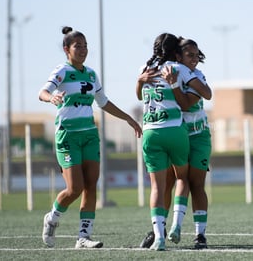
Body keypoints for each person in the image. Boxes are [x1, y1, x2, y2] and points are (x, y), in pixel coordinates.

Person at [39, 26, 142, 248]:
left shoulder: (92, 74)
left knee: (91, 186)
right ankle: (52, 217)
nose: (83, 49)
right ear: (67, 49)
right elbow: (43, 92)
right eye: (78, 46)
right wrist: (52, 98)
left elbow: (103, 102)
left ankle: (83, 237)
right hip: (67, 136)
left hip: (89, 135)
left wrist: (128, 118)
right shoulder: (62, 71)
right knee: (74, 189)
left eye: (85, 46)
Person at [139, 37, 212, 249]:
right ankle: (159, 231)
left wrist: (172, 84)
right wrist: (142, 80)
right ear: (177, 56)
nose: (195, 59)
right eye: (189, 55)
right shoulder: (172, 69)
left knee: (196, 184)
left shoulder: (194, 75)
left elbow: (188, 105)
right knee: (167, 184)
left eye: (196, 55)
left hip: (197, 135)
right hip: (176, 133)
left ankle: (199, 235)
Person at [136, 33, 190, 251]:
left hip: (150, 132)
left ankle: (158, 237)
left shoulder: (144, 68)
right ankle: (176, 226)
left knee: (157, 187)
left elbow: (139, 96)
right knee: (182, 179)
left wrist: (139, 80)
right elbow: (189, 99)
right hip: (174, 130)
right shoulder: (178, 69)